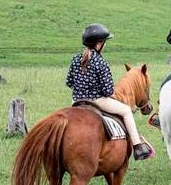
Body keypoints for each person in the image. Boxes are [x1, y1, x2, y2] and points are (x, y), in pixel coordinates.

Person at [66, 23, 154, 161]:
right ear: (99, 44)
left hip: (76, 101)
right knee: (126, 111)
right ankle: (138, 147)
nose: (105, 45)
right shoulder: (101, 62)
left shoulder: (75, 59)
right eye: (104, 42)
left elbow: (69, 82)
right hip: (97, 101)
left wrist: (82, 89)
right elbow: (107, 91)